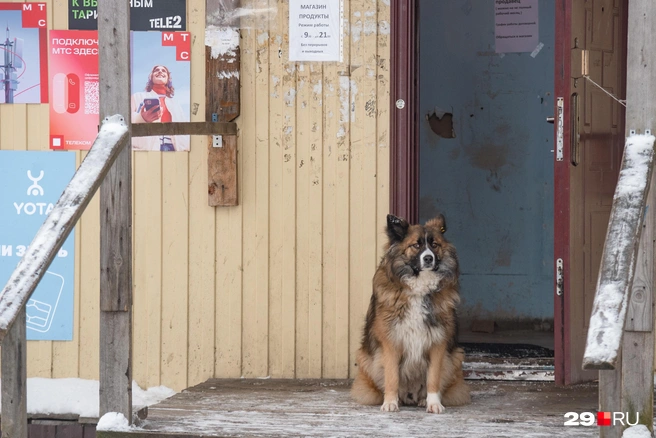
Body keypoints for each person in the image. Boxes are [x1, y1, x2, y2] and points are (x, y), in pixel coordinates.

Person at [131, 65, 190, 151]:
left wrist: (186, 149)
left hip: (173, 148)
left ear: (168, 79)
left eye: (164, 71)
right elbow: (125, 120)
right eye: (156, 70)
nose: (160, 71)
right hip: (147, 149)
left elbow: (183, 128)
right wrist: (142, 118)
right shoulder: (137, 97)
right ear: (151, 77)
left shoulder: (175, 104)